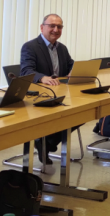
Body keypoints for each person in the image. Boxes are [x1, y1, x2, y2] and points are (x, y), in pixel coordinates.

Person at [20, 13, 75, 164]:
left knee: (79, 114)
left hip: (60, 93)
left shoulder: (62, 48)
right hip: (39, 96)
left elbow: (71, 65)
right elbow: (25, 71)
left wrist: (74, 72)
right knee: (70, 115)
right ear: (42, 27)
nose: (56, 29)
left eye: (59, 27)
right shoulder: (30, 47)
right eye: (52, 26)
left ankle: (47, 142)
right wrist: (42, 77)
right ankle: (44, 142)